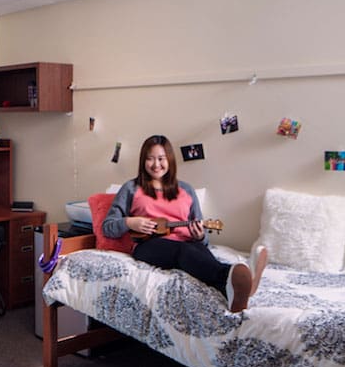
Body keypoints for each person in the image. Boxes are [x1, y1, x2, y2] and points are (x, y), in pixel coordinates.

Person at [101, 134, 267, 312]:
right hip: (148, 245)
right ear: (143, 161)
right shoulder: (131, 188)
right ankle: (234, 276)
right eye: (150, 159)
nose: (156, 165)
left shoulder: (186, 190)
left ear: (170, 160)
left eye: (161, 159)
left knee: (201, 253)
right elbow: (108, 227)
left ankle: (235, 290)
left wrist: (200, 235)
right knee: (184, 251)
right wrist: (129, 222)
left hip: (188, 243)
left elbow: (203, 240)